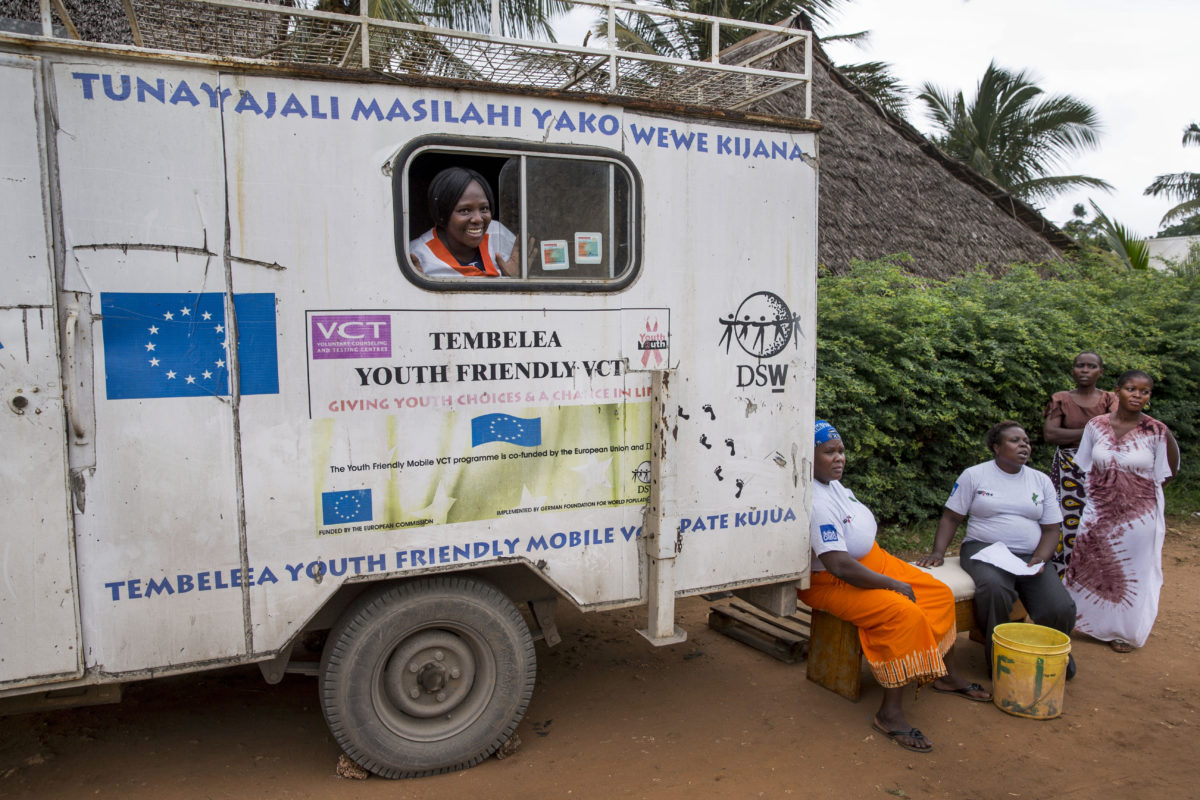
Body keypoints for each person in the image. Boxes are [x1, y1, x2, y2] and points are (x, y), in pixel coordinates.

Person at [802, 420, 990, 755]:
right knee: (902, 613)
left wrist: (889, 575)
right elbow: (839, 565)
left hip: (872, 562)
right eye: (829, 452)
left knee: (937, 593)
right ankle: (889, 713)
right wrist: (892, 585)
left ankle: (943, 673)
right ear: (807, 457)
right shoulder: (814, 501)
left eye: (841, 451)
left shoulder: (832, 485)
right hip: (832, 580)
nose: (839, 458)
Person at [917, 421, 1077, 678]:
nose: (1024, 445)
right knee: (995, 589)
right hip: (984, 551)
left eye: (1026, 441)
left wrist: (1039, 559)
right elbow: (951, 517)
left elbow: (1051, 529)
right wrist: (937, 552)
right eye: (1015, 440)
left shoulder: (1041, 480)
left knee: (1059, 607)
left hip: (1028, 555)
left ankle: (1057, 655)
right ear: (996, 447)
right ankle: (1000, 660)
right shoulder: (974, 475)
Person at [1064, 370, 1180, 653]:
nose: (1138, 395)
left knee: (1133, 572)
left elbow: (1168, 472)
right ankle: (1078, 621)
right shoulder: (1095, 426)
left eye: (1145, 391)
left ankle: (1124, 632)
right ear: (1117, 391)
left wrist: (1132, 493)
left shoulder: (1157, 430)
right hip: (1098, 510)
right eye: (1131, 389)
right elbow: (1086, 466)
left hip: (1139, 517)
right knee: (1085, 561)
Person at [1042, 351, 1117, 576]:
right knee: (1065, 521)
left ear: (1100, 372)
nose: (1085, 370)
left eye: (1091, 366)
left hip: (1102, 468)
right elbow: (1050, 434)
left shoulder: (1110, 399)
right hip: (1068, 470)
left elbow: (1113, 433)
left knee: (1102, 519)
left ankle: (1098, 574)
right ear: (1072, 370)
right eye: (1080, 365)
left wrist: (1071, 434)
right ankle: (1064, 574)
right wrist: (1092, 432)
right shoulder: (1061, 398)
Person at [408, 167, 519, 278]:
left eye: (484, 209)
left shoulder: (498, 235)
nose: (478, 219)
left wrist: (514, 280)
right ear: (442, 215)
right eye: (465, 210)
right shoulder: (417, 256)